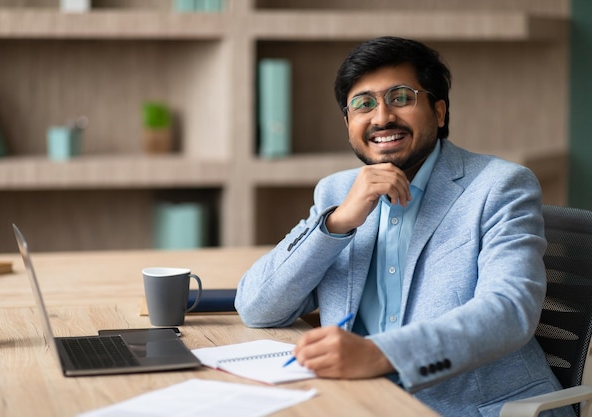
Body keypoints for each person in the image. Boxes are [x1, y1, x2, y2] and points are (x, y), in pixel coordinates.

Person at [235, 36, 573, 417]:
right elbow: (256, 306)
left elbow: (509, 310)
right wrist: (338, 222)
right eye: (363, 105)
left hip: (478, 407)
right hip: (362, 403)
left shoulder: (501, 186)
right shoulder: (339, 191)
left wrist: (381, 354)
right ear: (348, 122)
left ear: (440, 111)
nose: (381, 118)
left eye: (401, 98)